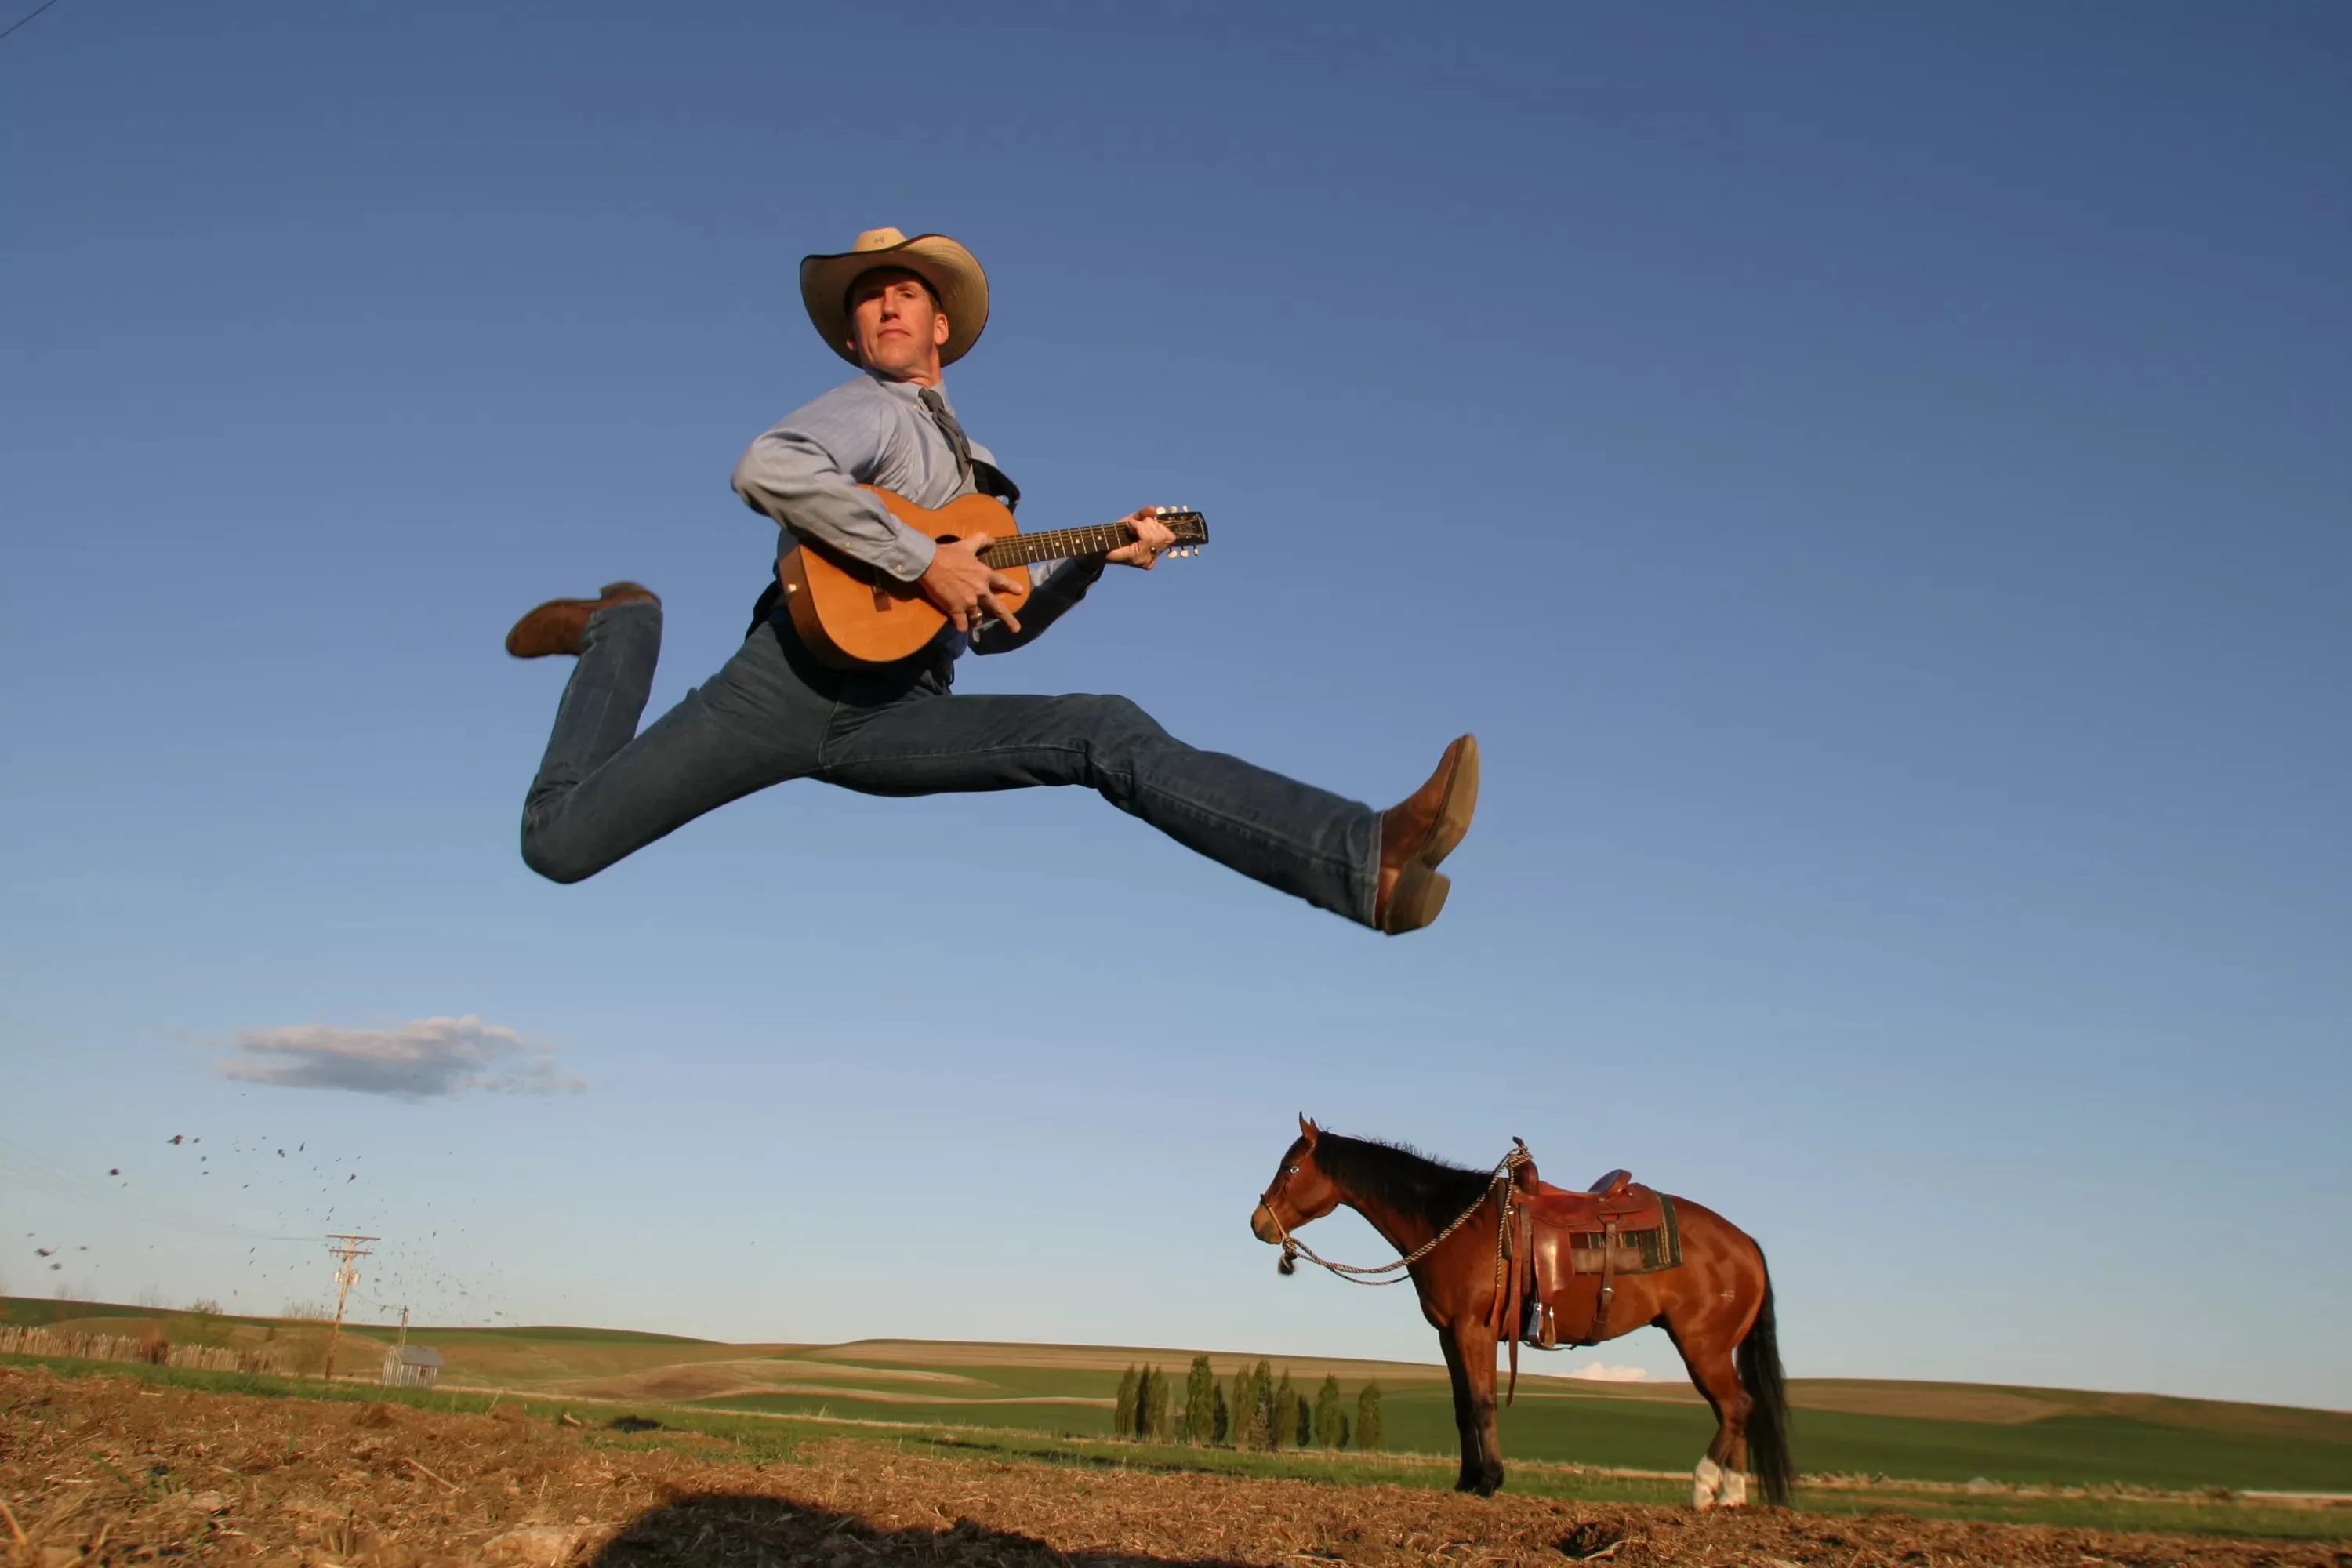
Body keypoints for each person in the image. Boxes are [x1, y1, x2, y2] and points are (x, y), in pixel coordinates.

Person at [504, 227, 1478, 933]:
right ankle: (624, 625)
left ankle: (1364, 857)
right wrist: (921, 558)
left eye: (905, 292)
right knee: (559, 845)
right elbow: (769, 466)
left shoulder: (985, 485)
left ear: (941, 324)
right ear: (853, 337)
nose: (886, 305)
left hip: (898, 711)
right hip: (779, 690)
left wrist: (1090, 560)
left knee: (1100, 728)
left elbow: (1000, 630)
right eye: (867, 298)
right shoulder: (873, 409)